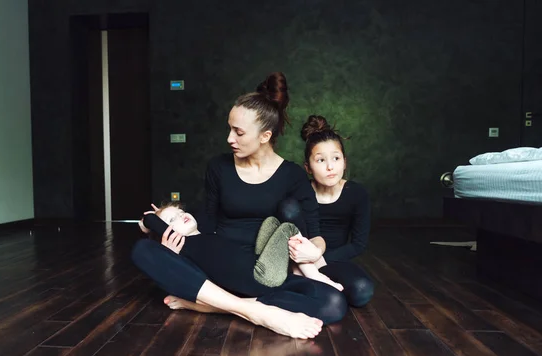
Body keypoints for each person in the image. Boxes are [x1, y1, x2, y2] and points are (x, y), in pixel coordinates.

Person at [131, 72, 347, 339]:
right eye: (229, 128)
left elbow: (314, 232)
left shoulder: (291, 175)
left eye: (238, 132)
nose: (229, 138)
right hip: (216, 267)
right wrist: (165, 229)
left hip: (266, 268)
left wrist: (308, 255)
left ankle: (213, 306)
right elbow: (207, 220)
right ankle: (255, 312)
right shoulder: (218, 167)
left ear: (265, 135)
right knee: (143, 250)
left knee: (335, 304)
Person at [142, 202, 342, 290]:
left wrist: (168, 215)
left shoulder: (205, 235)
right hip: (261, 277)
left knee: (272, 222)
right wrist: (148, 220)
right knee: (288, 228)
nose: (180, 216)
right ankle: (315, 275)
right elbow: (151, 221)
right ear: (166, 232)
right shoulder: (185, 246)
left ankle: (297, 270)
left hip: (258, 264)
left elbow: (196, 209)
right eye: (172, 220)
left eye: (179, 212)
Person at [297, 115, 375, 307]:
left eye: (336, 158)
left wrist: (321, 260)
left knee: (362, 291)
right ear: (308, 167)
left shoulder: (357, 193)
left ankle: (318, 285)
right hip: (300, 261)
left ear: (344, 162)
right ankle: (308, 283)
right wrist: (306, 260)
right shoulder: (300, 192)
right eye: (321, 160)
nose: (330, 167)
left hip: (333, 259)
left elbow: (358, 244)